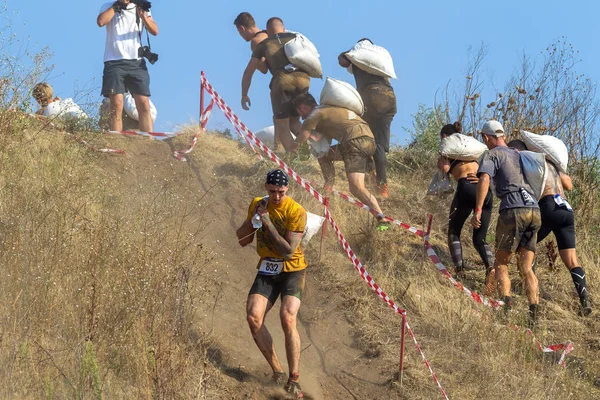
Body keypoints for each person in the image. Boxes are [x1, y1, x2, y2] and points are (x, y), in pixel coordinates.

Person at [236, 169, 307, 398]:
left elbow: (288, 251)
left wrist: (266, 222)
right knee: (253, 317)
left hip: (293, 269)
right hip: (267, 266)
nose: (277, 196)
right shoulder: (258, 203)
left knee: (287, 318)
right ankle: (277, 370)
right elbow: (242, 240)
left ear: (288, 189)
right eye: (273, 191)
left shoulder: (296, 211)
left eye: (281, 192)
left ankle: (294, 378)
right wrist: (253, 221)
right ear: (266, 188)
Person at [508, 140, 592, 316]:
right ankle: (585, 301)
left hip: (547, 206)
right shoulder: (552, 164)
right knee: (571, 260)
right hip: (566, 209)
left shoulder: (527, 161)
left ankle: (532, 291)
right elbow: (569, 185)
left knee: (524, 248)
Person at [471, 120, 542, 327]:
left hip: (513, 209)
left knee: (501, 262)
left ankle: (506, 307)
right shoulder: (518, 154)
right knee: (527, 267)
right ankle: (534, 314)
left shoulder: (492, 155)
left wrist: (477, 210)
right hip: (534, 210)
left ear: (486, 137)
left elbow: (484, 179)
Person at [290, 92, 388, 229]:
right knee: (324, 155)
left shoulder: (314, 114)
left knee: (356, 187)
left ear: (302, 107)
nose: (301, 117)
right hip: (369, 141)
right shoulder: (328, 110)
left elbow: (302, 137)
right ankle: (329, 185)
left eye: (299, 113)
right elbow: (317, 138)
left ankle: (381, 219)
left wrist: (290, 154)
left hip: (353, 142)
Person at [241, 17, 310, 152]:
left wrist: (244, 94)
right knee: (295, 122)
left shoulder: (264, 44)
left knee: (282, 124)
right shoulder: (295, 38)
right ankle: (313, 150)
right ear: (283, 29)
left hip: (282, 81)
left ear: (267, 31)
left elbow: (250, 71)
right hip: (303, 79)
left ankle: (293, 157)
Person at [338, 39, 397, 198]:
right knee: (380, 144)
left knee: (365, 137)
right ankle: (382, 186)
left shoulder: (357, 56)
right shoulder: (378, 60)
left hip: (372, 95)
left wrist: (350, 51)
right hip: (390, 98)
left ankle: (372, 178)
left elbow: (341, 60)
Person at [437, 121, 495, 281]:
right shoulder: (472, 154)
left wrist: (442, 163)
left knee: (454, 231)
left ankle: (460, 271)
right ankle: (491, 268)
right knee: (480, 238)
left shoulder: (447, 149)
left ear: (444, 136)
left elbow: (445, 170)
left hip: (466, 187)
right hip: (485, 191)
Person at [97, 0, 158, 133]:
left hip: (136, 62)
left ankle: (148, 142)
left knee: (143, 104)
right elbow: (101, 22)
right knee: (116, 105)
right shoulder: (108, 6)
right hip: (114, 62)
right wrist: (117, 6)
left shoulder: (140, 7)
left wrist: (143, 16)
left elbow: (155, 30)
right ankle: (117, 142)